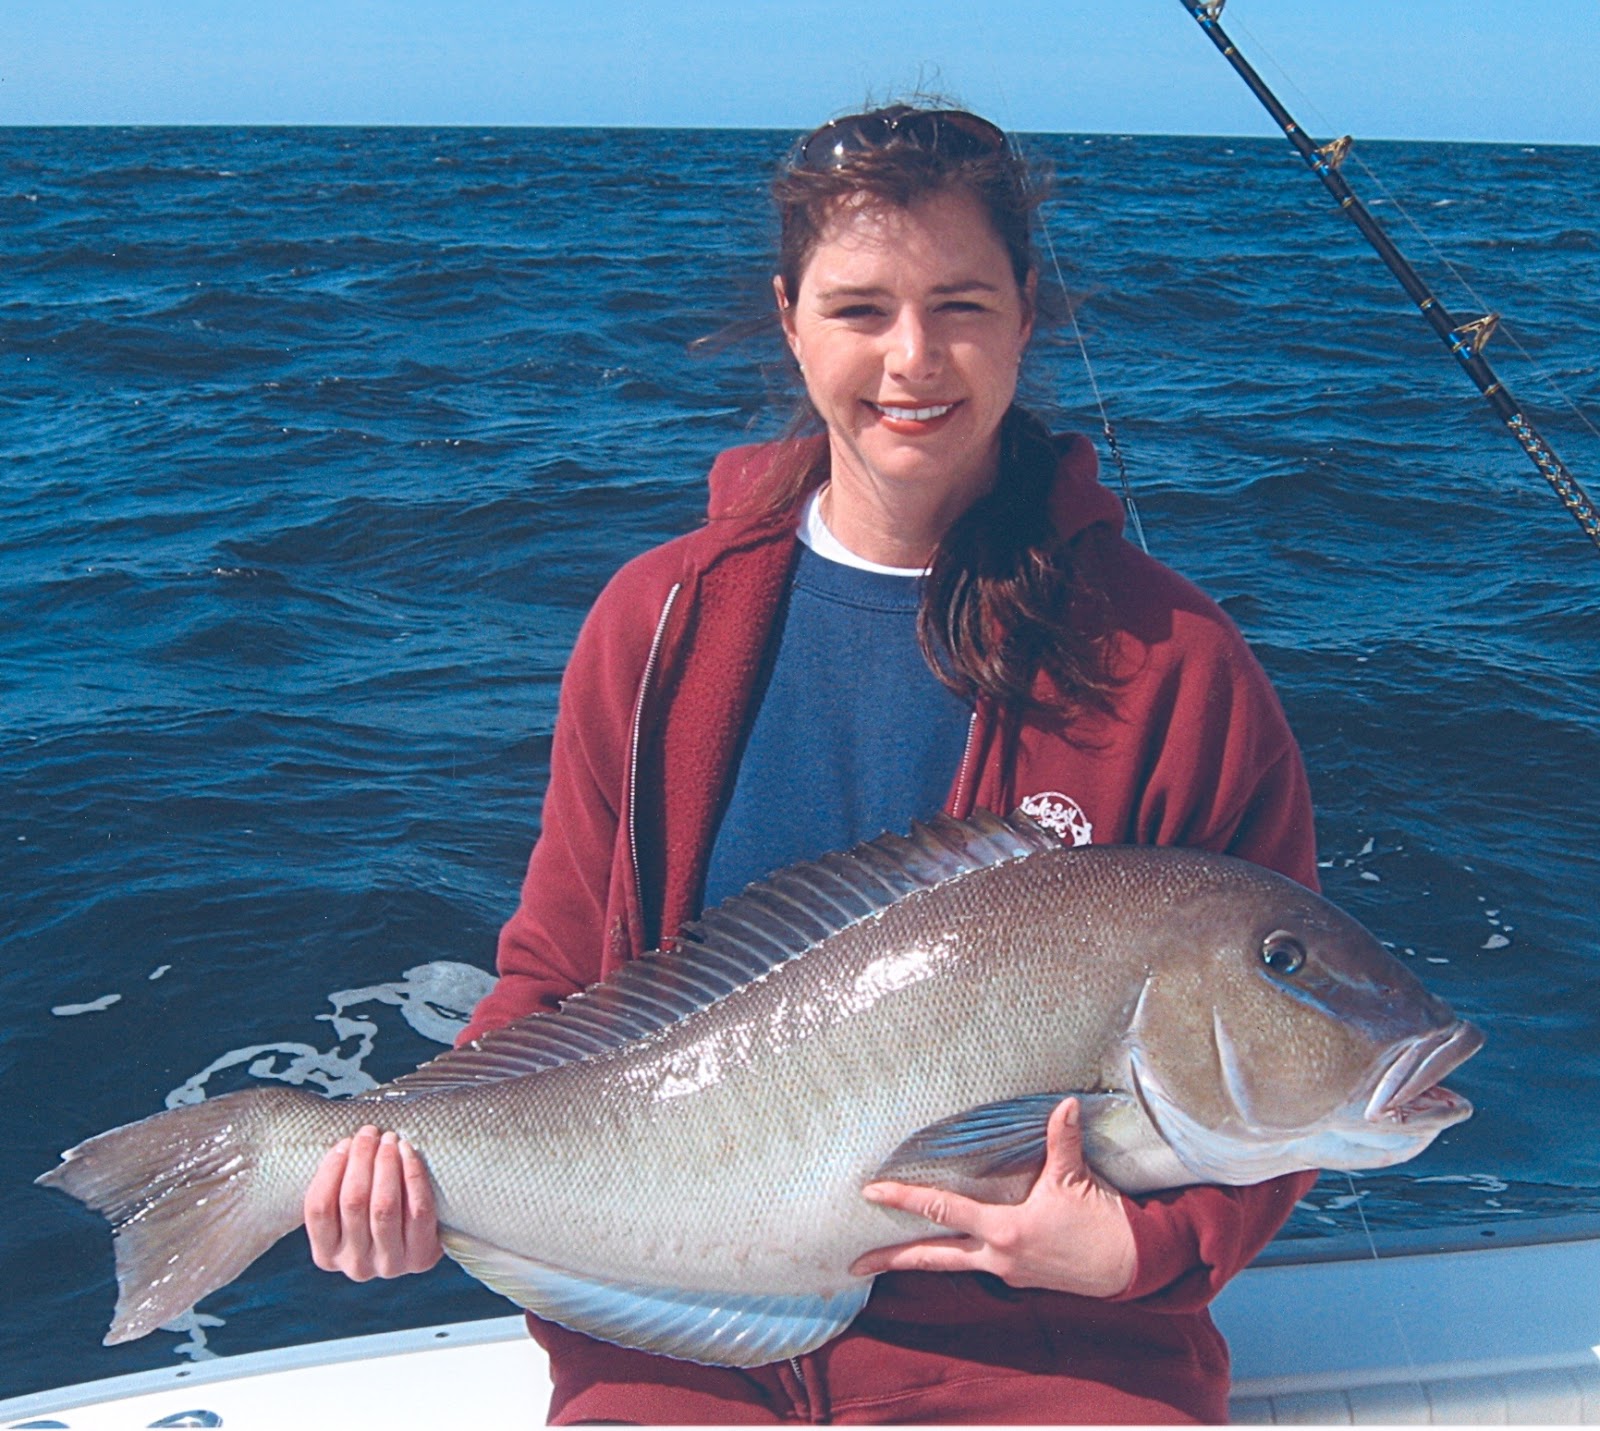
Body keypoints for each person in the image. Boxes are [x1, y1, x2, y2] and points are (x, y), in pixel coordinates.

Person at [303, 103, 1320, 1424]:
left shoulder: (1173, 663)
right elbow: (559, 977)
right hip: (670, 1341)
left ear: (1028, 314)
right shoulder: (658, 621)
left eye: (960, 304)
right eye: (860, 309)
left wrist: (1139, 1252)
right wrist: (403, 1167)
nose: (913, 358)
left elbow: (1274, 1078)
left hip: (1048, 1353)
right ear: (789, 319)